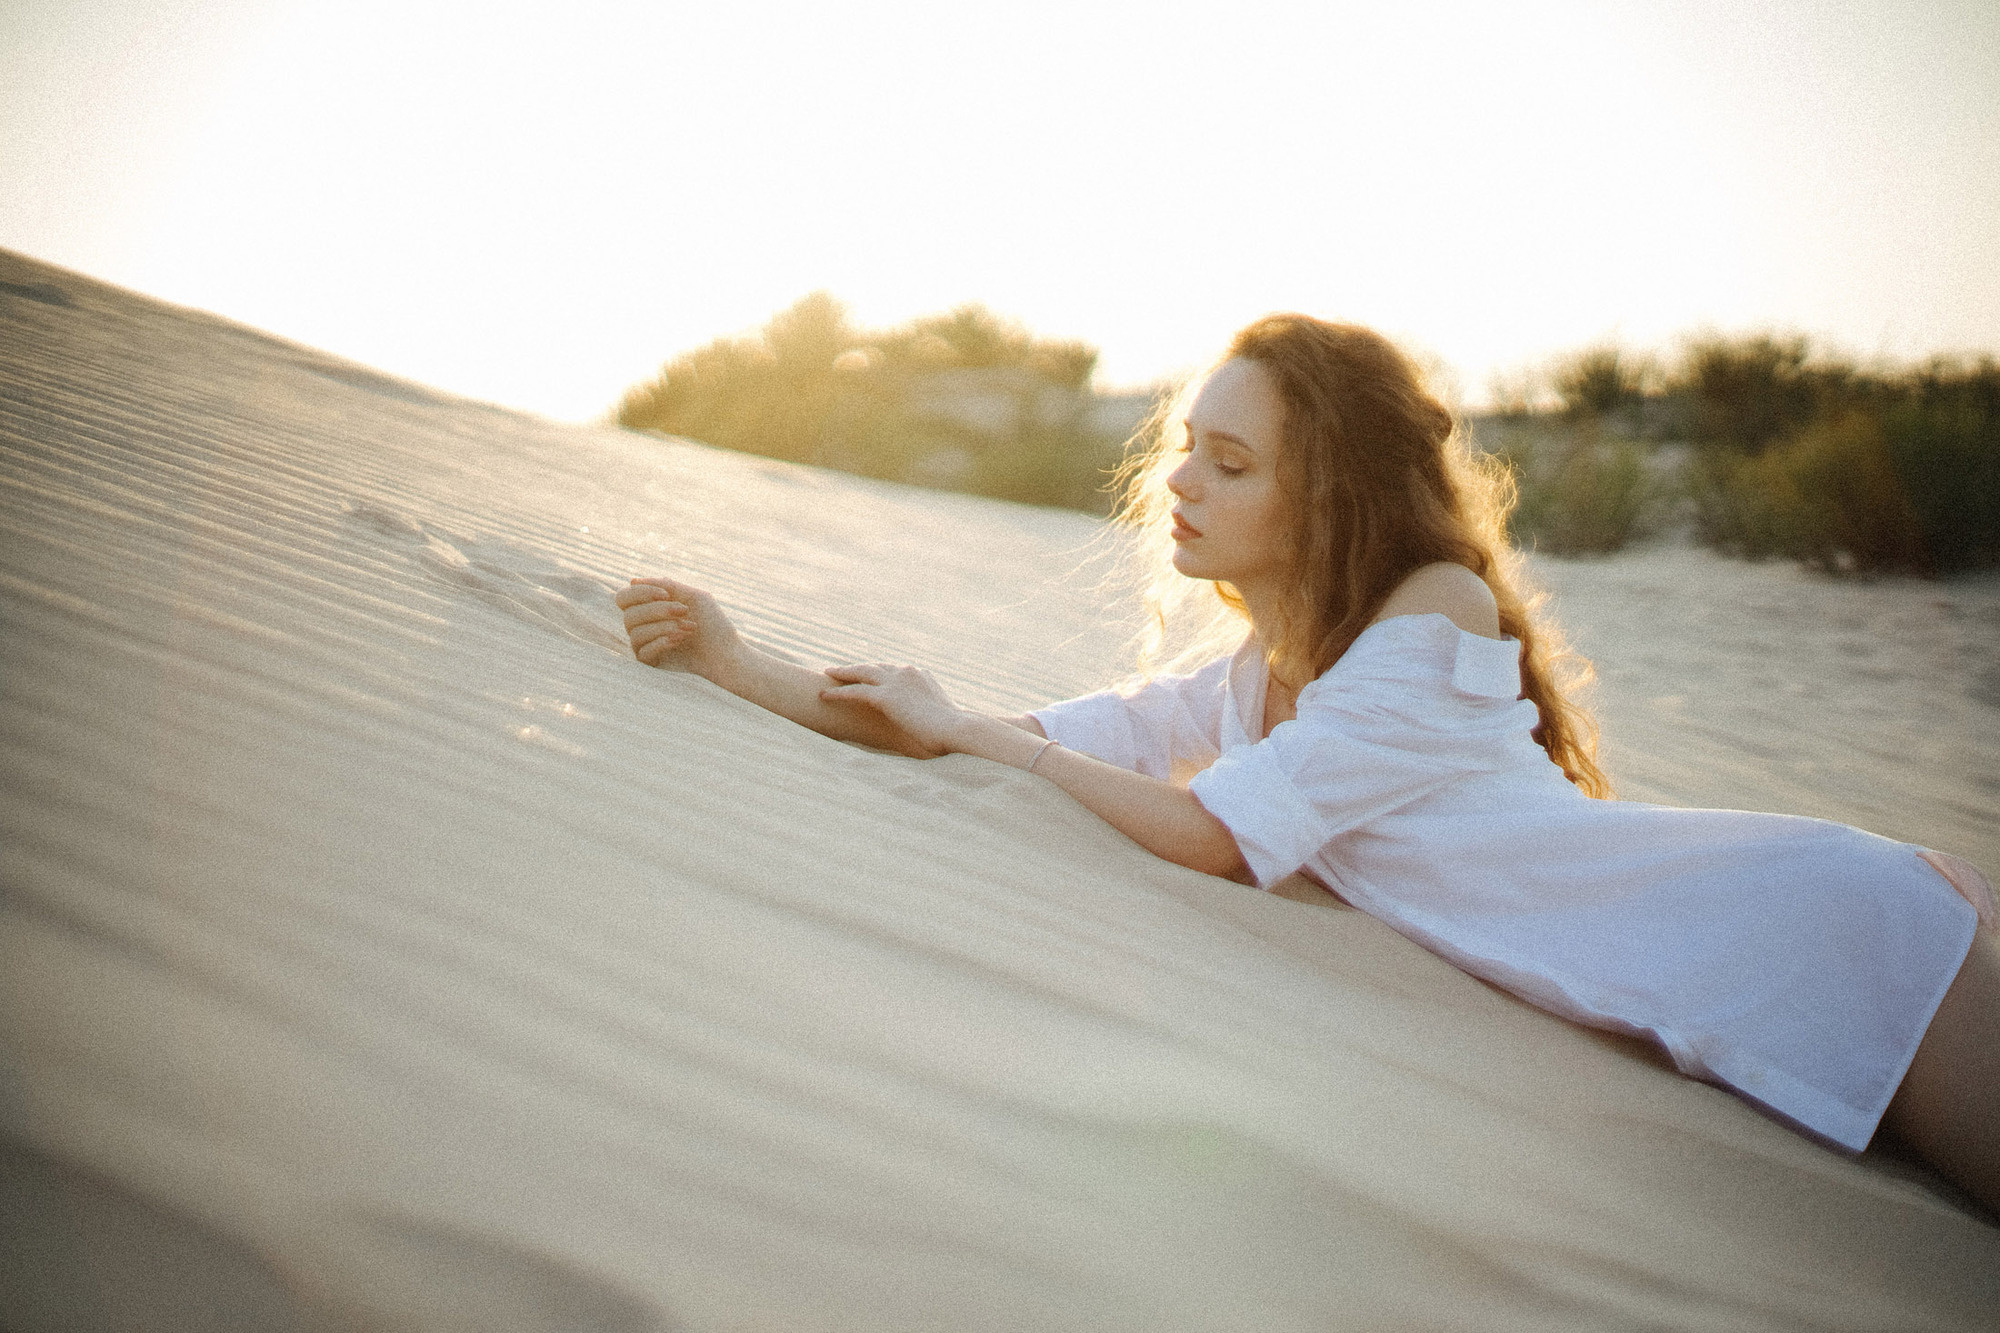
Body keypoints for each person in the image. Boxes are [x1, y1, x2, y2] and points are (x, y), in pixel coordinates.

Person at [615, 313, 2000, 1214]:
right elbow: (1000, 732)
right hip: (1757, 993)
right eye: (1185, 454)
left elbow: (1213, 834)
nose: (1181, 486)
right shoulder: (1250, 682)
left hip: (1838, 938)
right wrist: (742, 664)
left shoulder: (1436, 615)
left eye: (1228, 462)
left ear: (1322, 489)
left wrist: (969, 731)